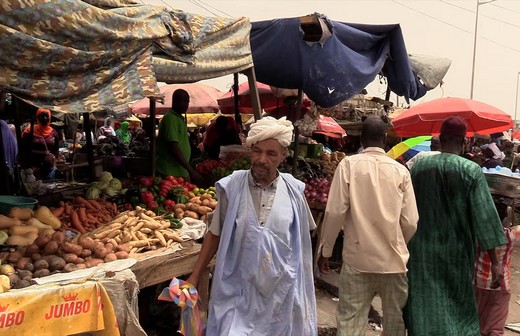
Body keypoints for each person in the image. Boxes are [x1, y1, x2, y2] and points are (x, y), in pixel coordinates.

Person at [186, 116, 318, 335]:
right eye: (257, 151)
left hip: (279, 295)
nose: (262, 160)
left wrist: (301, 290)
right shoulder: (232, 186)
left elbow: (302, 242)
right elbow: (215, 234)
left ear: (283, 156)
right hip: (238, 291)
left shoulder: (295, 191)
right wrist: (195, 275)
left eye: (271, 153)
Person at [404, 116, 507, 336]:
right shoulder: (470, 171)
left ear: (441, 138)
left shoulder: (419, 167)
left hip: (420, 252)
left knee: (422, 308)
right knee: (458, 310)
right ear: (464, 143)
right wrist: (496, 263)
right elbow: (486, 219)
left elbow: (405, 210)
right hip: (456, 255)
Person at [317, 116, 419, 336]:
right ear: (385, 139)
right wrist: (397, 242)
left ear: (362, 139)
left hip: (357, 260)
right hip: (393, 263)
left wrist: (325, 250)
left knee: (350, 322)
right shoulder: (401, 171)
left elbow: (335, 212)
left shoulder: (348, 165)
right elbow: (411, 221)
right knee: (395, 325)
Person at [474, 200, 520, 336]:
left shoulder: (478, 234)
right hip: (500, 285)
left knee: (478, 322)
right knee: (495, 328)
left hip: (477, 282)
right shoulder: (511, 235)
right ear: (505, 217)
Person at [156, 89, 202, 184]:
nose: (186, 105)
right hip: (170, 173)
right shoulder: (170, 118)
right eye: (184, 101)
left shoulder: (179, 118)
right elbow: (173, 147)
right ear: (175, 101)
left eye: (187, 102)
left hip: (181, 172)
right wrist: (191, 170)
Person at [20, 108, 60, 179]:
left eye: (46, 116)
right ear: (37, 117)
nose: (44, 118)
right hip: (32, 168)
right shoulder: (29, 131)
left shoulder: (54, 133)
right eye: (42, 116)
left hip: (48, 168)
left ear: (50, 117)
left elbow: (56, 149)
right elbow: (23, 149)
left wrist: (54, 159)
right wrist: (42, 153)